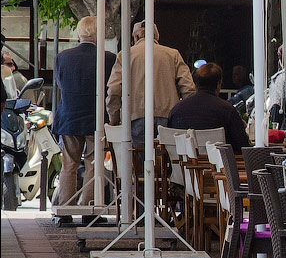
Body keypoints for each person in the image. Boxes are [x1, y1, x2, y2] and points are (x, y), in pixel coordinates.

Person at [51, 15, 115, 218]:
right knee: (93, 163)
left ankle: (65, 209)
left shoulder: (62, 57)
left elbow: (61, 85)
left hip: (69, 115)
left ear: (79, 33)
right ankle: (90, 208)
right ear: (99, 34)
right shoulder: (109, 58)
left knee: (69, 164)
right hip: (96, 118)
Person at [105, 20, 195, 148]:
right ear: (156, 37)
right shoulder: (172, 54)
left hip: (136, 116)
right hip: (168, 117)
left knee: (139, 160)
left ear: (135, 37)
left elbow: (114, 89)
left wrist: (113, 117)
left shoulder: (125, 55)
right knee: (166, 159)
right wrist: (184, 115)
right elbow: (189, 89)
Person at [167, 61, 251, 152]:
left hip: (184, 165)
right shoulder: (227, 110)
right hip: (219, 165)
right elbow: (242, 146)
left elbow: (170, 144)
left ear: (196, 84)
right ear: (219, 84)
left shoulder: (176, 110)